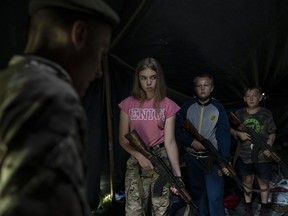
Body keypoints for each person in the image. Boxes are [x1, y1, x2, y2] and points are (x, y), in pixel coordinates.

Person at [0, 0, 119, 215]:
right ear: (79, 34)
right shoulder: (52, 98)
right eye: (100, 53)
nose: (99, 71)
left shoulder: (7, 84)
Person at [118, 57, 182, 216]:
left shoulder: (168, 105)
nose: (148, 82)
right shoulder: (127, 104)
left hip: (160, 159)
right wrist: (139, 156)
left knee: (161, 210)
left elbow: (170, 142)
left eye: (153, 77)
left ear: (158, 78)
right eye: (144, 78)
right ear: (138, 79)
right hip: (136, 160)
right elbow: (123, 139)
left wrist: (177, 176)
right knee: (134, 211)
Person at [175, 72, 231, 216]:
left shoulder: (218, 108)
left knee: (215, 195)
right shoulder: (187, 107)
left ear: (211, 88)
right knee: (198, 194)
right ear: (195, 88)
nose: (202, 88)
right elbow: (177, 130)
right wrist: (191, 142)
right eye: (199, 86)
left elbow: (224, 135)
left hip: (212, 160)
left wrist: (225, 161)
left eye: (206, 85)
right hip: (192, 158)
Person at [230, 86, 276, 216]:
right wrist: (238, 134)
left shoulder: (266, 113)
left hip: (262, 155)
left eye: (254, 95)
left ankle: (264, 206)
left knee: (263, 181)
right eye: (248, 96)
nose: (251, 98)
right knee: (247, 180)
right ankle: (248, 205)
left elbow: (272, 133)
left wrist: (269, 144)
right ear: (244, 99)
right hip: (244, 156)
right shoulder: (239, 114)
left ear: (260, 98)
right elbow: (229, 129)